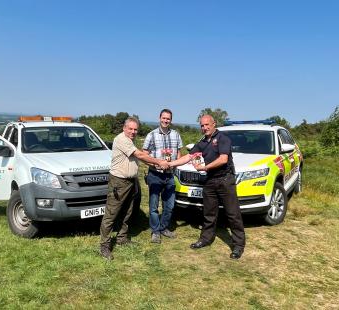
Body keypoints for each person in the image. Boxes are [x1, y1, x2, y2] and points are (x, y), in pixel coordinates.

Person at [169, 115, 246, 259]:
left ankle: (238, 245)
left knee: (233, 214)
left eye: (206, 125)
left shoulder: (223, 138)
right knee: (209, 213)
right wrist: (169, 164)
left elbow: (223, 159)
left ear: (213, 124)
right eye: (202, 126)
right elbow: (189, 157)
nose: (204, 128)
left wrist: (205, 168)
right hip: (210, 181)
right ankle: (206, 239)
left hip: (225, 180)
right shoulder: (202, 142)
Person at [99, 117, 169, 260]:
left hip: (131, 181)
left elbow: (141, 157)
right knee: (111, 214)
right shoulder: (121, 139)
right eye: (130, 128)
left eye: (135, 129)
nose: (133, 131)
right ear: (124, 128)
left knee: (128, 211)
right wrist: (159, 162)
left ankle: (122, 238)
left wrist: (155, 164)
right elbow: (139, 154)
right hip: (119, 182)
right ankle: (104, 246)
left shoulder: (130, 141)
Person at [142, 108, 183, 243]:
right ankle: (155, 231)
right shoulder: (151, 135)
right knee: (154, 205)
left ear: (171, 120)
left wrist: (175, 165)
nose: (166, 120)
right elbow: (144, 155)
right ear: (159, 118)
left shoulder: (176, 135)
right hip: (155, 174)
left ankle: (163, 227)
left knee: (169, 205)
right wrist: (156, 164)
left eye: (168, 119)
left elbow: (178, 153)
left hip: (170, 175)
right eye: (164, 118)